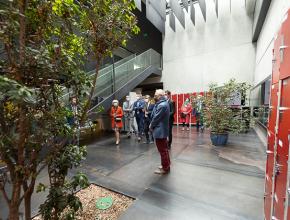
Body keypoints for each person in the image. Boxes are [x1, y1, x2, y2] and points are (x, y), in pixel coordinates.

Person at [150, 89, 170, 175]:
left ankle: (165, 168)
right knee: (164, 150)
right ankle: (166, 165)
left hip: (160, 131)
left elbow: (155, 118)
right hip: (161, 130)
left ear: (160, 96)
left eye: (156, 95)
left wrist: (151, 125)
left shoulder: (162, 105)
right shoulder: (162, 104)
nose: (154, 97)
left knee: (162, 150)